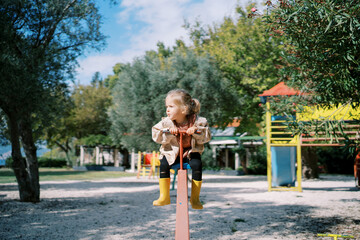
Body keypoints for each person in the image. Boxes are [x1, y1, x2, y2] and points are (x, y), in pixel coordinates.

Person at [152, 89, 211, 209]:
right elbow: (155, 135)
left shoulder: (199, 121)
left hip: (190, 152)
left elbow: (206, 137)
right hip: (172, 153)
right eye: (166, 106)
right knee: (163, 164)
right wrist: (168, 132)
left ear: (184, 109)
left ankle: (195, 199)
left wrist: (196, 131)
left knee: (197, 165)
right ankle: (164, 196)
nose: (167, 109)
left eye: (171, 106)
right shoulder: (166, 122)